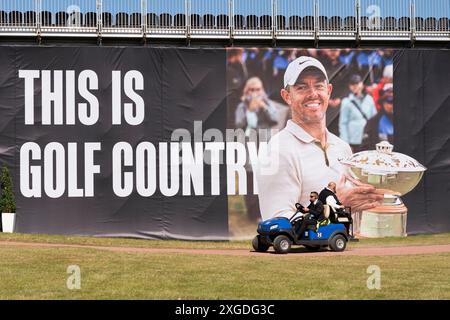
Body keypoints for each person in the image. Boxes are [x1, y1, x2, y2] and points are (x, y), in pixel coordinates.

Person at [256, 56, 385, 221]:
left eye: (318, 85)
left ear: (329, 91)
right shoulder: (277, 150)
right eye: (302, 87)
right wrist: (337, 205)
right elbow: (277, 223)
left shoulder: (342, 148)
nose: (313, 94)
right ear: (287, 96)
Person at [339, 74, 378, 153]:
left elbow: (375, 120)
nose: (355, 86)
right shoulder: (346, 102)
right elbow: (343, 123)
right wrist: (345, 143)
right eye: (353, 84)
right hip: (353, 141)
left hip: (368, 139)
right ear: (350, 87)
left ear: (362, 84)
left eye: (357, 83)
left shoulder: (369, 99)